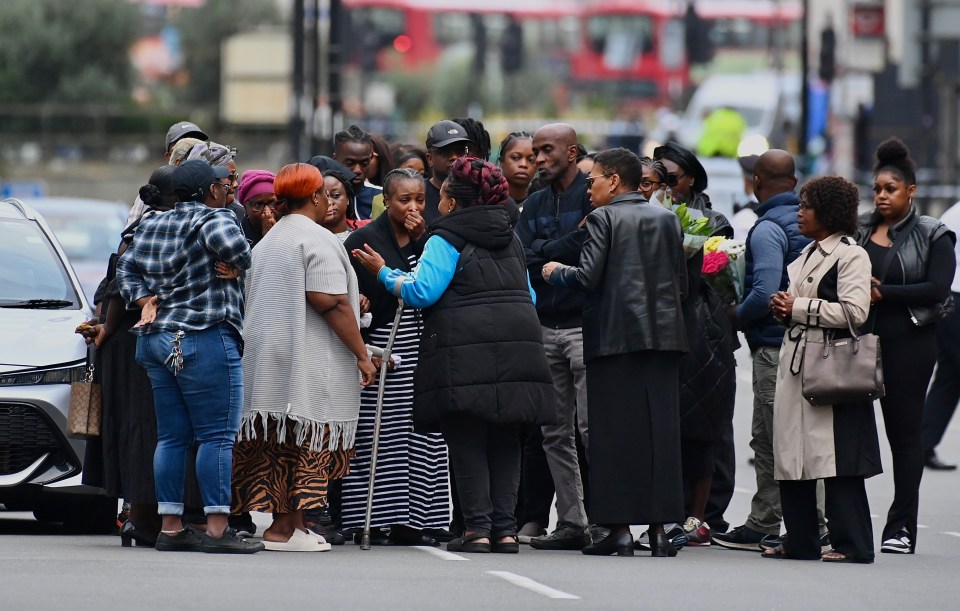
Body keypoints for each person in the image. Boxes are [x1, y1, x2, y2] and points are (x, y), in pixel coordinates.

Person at [352, 157, 555, 553]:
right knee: (506, 439)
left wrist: (383, 272)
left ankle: (477, 530)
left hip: (465, 350)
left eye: (441, 192)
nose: (435, 198)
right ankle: (506, 530)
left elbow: (422, 291)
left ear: (453, 201)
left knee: (467, 438)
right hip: (519, 345)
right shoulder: (510, 237)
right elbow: (528, 296)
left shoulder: (444, 238)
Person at [542, 148, 688, 557]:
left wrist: (556, 271)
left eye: (594, 180)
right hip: (663, 337)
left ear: (614, 181)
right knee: (660, 435)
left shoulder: (604, 218)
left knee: (612, 436)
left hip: (614, 338)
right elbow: (679, 283)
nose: (589, 188)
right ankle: (660, 530)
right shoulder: (667, 218)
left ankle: (618, 529)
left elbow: (589, 276)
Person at [116, 159, 262, 554]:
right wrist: (236, 263)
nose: (228, 188)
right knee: (216, 436)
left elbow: (124, 271)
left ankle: (172, 526)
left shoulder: (149, 223)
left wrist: (144, 297)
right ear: (210, 190)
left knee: (172, 437)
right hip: (204, 336)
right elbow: (239, 251)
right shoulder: (213, 219)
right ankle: (217, 528)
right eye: (224, 183)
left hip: (156, 339)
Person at [232, 163, 376, 552]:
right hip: (306, 355)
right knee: (309, 437)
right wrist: (362, 356)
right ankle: (282, 528)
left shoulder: (269, 240)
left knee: (283, 441)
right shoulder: (316, 239)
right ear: (315, 196)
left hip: (267, 355)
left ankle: (292, 526)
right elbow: (330, 303)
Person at [763, 175, 880, 563]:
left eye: (807, 206)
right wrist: (784, 307)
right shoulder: (811, 252)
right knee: (792, 453)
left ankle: (853, 544)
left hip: (829, 365)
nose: (800, 213)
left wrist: (796, 308)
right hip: (797, 361)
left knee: (836, 456)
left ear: (828, 213)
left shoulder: (851, 254)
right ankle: (800, 541)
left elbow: (855, 312)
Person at [855, 138, 956, 554]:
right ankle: (845, 523)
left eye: (890, 189)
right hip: (857, 343)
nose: (881, 196)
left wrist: (885, 295)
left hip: (909, 344)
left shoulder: (934, 234)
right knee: (850, 434)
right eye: (877, 188)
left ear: (910, 191)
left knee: (904, 437)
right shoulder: (858, 229)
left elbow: (937, 289)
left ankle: (901, 527)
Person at [341, 168, 450, 546]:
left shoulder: (433, 238)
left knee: (425, 436)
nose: (414, 207)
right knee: (379, 436)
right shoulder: (364, 240)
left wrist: (422, 238)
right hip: (382, 348)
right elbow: (346, 296)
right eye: (404, 200)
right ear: (386, 201)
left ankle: (418, 520)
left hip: (425, 346)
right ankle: (371, 517)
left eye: (420, 199)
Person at [714, 150, 814, 551]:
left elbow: (764, 291)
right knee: (799, 438)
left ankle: (775, 521)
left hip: (776, 348)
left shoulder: (768, 227)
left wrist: (734, 315)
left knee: (771, 438)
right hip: (810, 344)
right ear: (794, 181)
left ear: (756, 181)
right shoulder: (812, 221)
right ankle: (786, 519)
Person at [78, 166, 179, 547]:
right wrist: (106, 324)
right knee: (147, 428)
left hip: (122, 341)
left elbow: (111, 283)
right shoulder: (160, 230)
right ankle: (141, 516)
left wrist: (104, 324)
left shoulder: (139, 227)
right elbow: (122, 285)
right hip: (139, 337)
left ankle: (137, 514)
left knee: (135, 427)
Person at [516, 123, 593, 551]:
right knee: (553, 431)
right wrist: (559, 247)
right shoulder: (535, 202)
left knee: (591, 428)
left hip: (584, 325)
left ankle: (604, 519)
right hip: (545, 324)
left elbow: (590, 248)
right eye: (534, 152)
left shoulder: (593, 192)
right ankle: (572, 521)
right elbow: (523, 254)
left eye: (546, 151)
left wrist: (548, 248)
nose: (538, 160)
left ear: (571, 151)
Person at [922, 199, 960, 470]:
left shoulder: (953, 212)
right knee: (951, 372)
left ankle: (924, 442)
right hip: (955, 299)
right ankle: (923, 442)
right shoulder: (955, 214)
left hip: (951, 299)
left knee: (950, 374)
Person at [126, 121, 208, 226]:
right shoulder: (152, 194)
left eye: (196, 145)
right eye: (181, 145)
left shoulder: (215, 189)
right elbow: (129, 237)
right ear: (169, 156)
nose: (191, 151)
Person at [424, 120, 474, 224]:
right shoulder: (418, 195)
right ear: (430, 159)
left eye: (460, 150)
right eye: (445, 151)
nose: (454, 157)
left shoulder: (478, 191)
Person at [333, 125, 383, 220]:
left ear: (371, 158)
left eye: (364, 163)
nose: (357, 170)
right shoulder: (324, 198)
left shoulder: (382, 196)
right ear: (335, 159)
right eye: (350, 163)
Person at [236, 170, 278, 247]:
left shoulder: (290, 229)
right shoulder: (236, 238)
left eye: (272, 203)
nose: (267, 211)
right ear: (245, 207)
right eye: (258, 205)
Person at [497, 131, 535, 209]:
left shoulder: (545, 204)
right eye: (515, 158)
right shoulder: (488, 202)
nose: (523, 164)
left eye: (531, 160)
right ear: (501, 161)